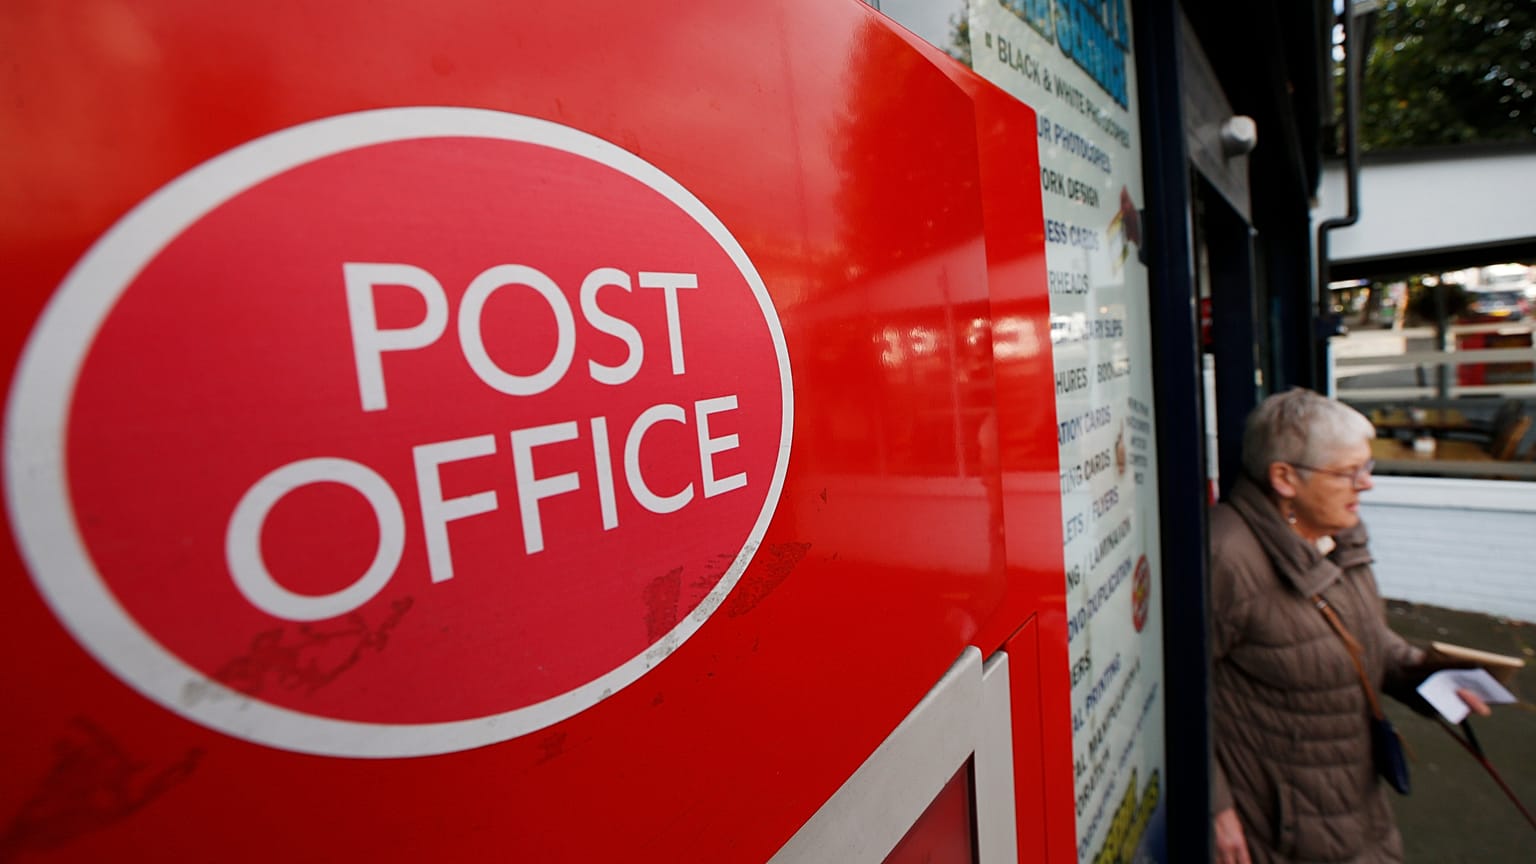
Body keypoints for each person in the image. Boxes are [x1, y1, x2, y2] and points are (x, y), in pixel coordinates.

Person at [1209, 388, 1489, 864]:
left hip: (1356, 804)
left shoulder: (1337, 530)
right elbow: (1173, 690)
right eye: (1348, 473)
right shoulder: (1227, 558)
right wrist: (1215, 806)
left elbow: (1361, 634)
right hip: (1283, 826)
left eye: (1368, 467)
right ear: (1284, 478)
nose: (1367, 485)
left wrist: (1426, 674)